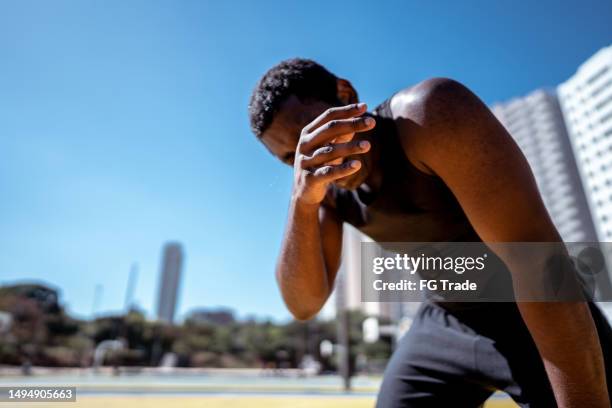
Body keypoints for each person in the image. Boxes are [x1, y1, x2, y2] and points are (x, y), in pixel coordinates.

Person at [248, 58, 612, 407]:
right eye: (293, 158)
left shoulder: (428, 116)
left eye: (316, 135)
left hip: (532, 306)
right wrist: (302, 201)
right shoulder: (324, 194)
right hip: (446, 316)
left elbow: (539, 263)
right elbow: (304, 304)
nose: (315, 158)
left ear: (345, 95)